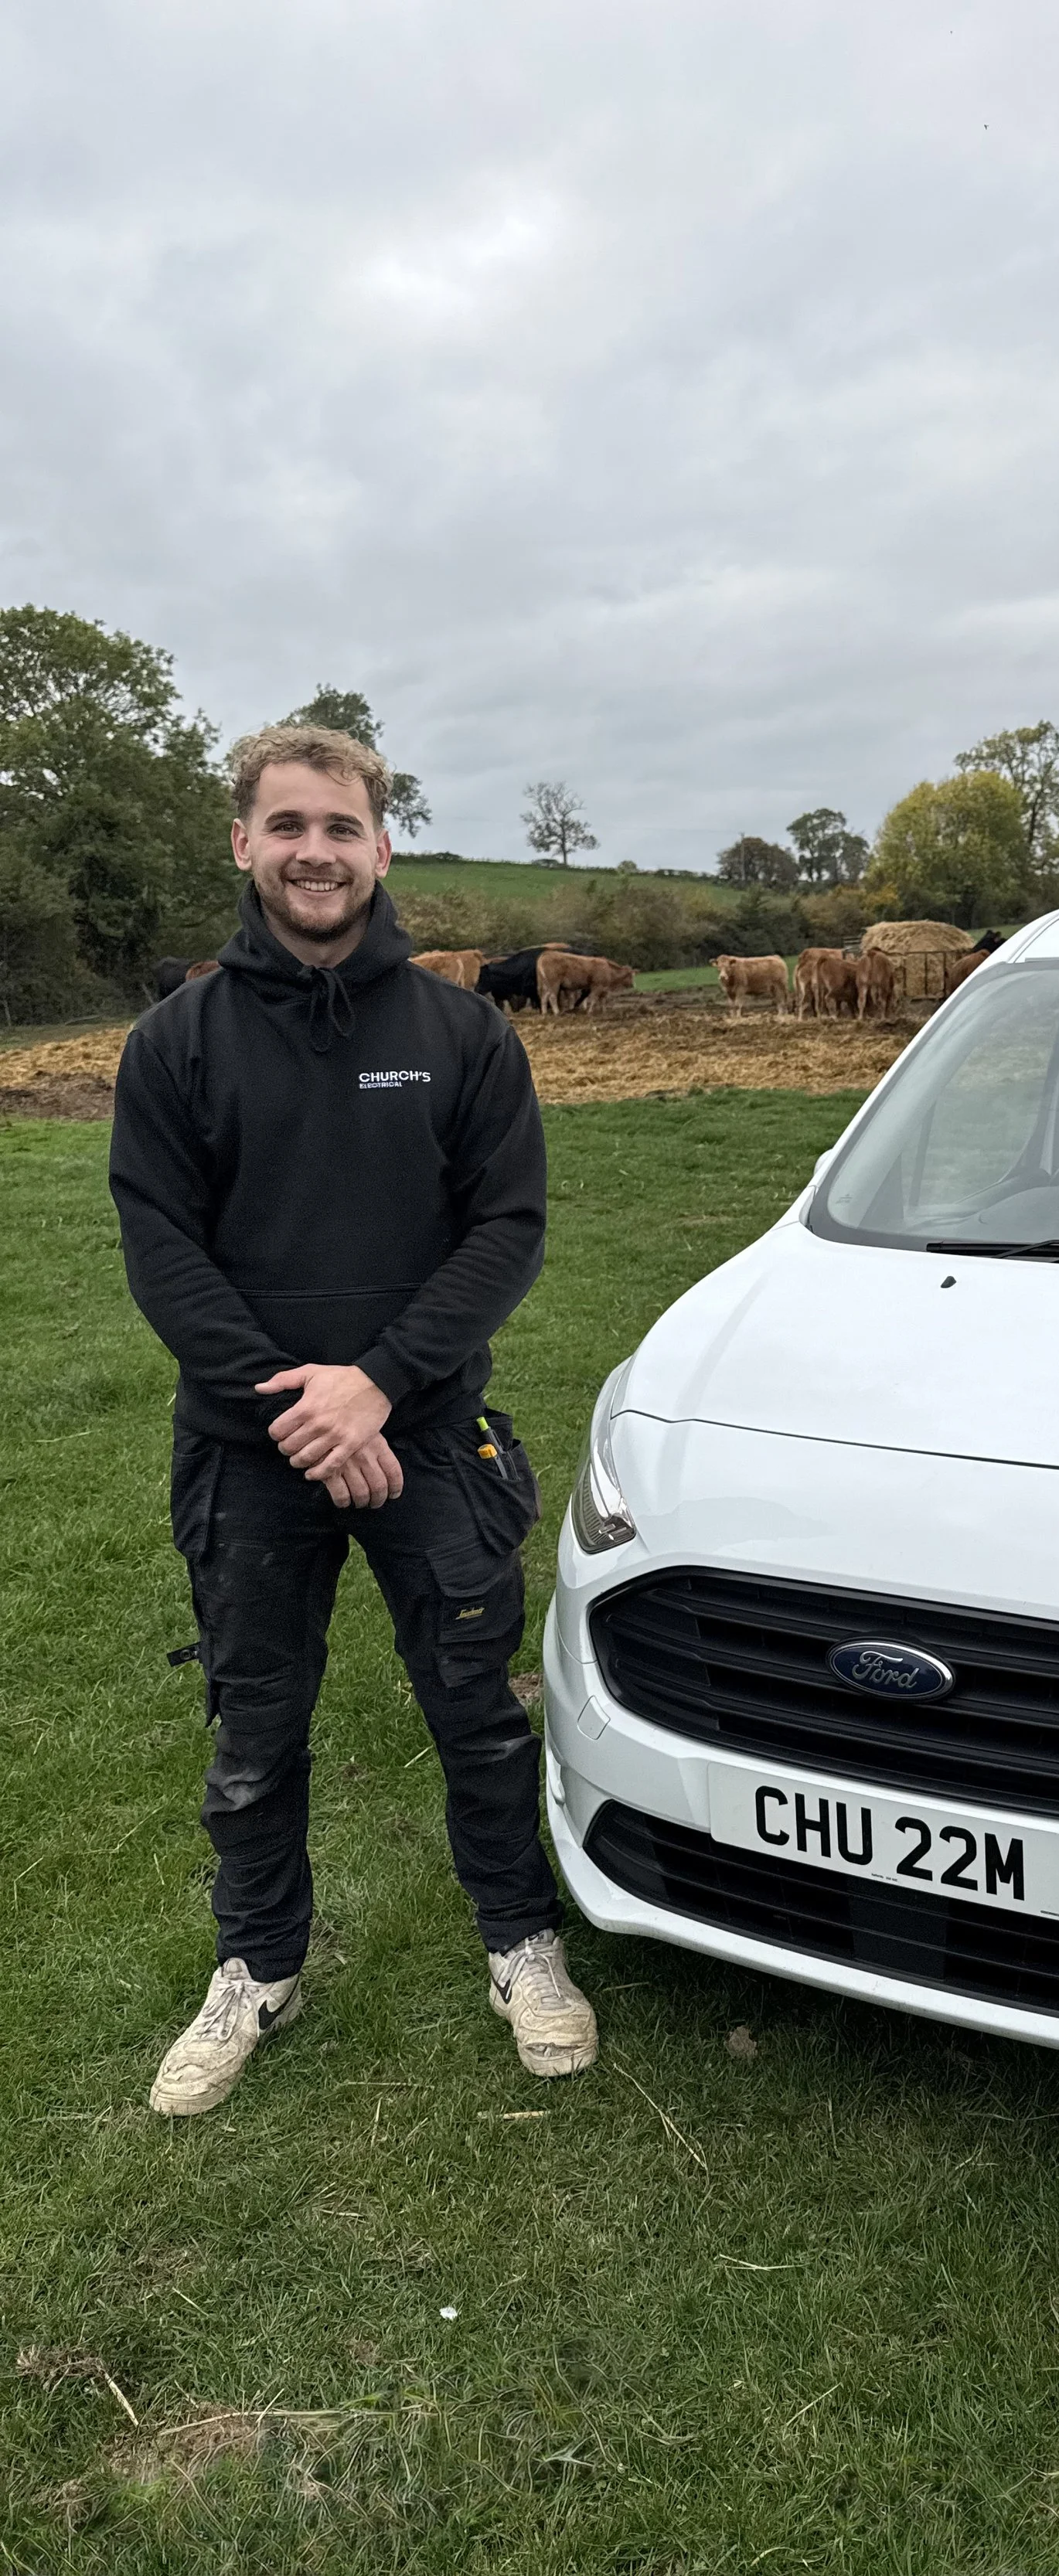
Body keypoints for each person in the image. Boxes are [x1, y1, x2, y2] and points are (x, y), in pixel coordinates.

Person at [111, 723, 597, 2116]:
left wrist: (377, 1384)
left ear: (382, 846)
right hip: (248, 1459)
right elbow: (163, 1250)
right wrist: (303, 1410)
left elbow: (506, 1229)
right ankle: (256, 1963)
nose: (314, 852)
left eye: (341, 827)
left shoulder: (460, 1032)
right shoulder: (175, 1044)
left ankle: (522, 1940)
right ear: (244, 844)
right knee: (256, 1724)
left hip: (428, 1441)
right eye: (287, 826)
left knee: (477, 1715)